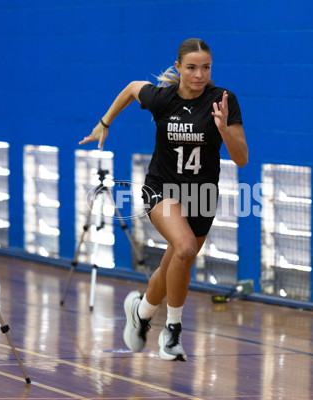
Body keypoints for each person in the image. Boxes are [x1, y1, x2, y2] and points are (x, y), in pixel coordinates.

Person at [79, 38, 248, 361]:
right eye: (192, 68)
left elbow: (241, 159)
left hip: (201, 195)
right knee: (184, 249)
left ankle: (141, 313)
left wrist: (224, 129)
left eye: (206, 67)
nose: (199, 74)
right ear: (178, 68)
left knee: (174, 263)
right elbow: (131, 88)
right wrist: (104, 123)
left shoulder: (223, 100)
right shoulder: (162, 98)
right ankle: (172, 332)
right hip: (162, 188)